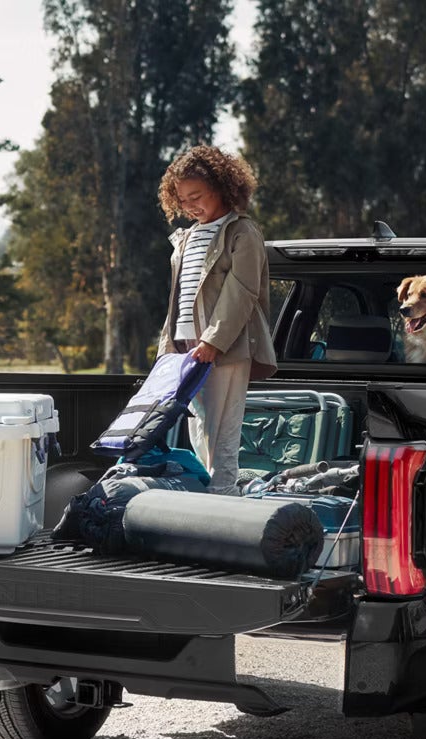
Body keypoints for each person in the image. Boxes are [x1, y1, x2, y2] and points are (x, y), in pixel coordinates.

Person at [156, 145, 278, 494]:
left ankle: (223, 499)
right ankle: (210, 498)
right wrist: (168, 348)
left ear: (222, 187)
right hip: (185, 349)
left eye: (197, 196)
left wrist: (213, 340)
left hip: (223, 347)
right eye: (183, 200)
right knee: (200, 429)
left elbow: (241, 292)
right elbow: (177, 298)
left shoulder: (242, 232)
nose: (190, 206)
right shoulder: (187, 236)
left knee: (222, 431)